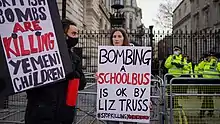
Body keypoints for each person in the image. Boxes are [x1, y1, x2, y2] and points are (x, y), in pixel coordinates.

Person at [25, 19, 86, 124]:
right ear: (63, 35)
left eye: (77, 34)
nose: (76, 37)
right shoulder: (41, 55)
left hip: (63, 114)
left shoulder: (75, 58)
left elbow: (82, 84)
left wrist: (75, 75)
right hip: (40, 112)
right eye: (73, 33)